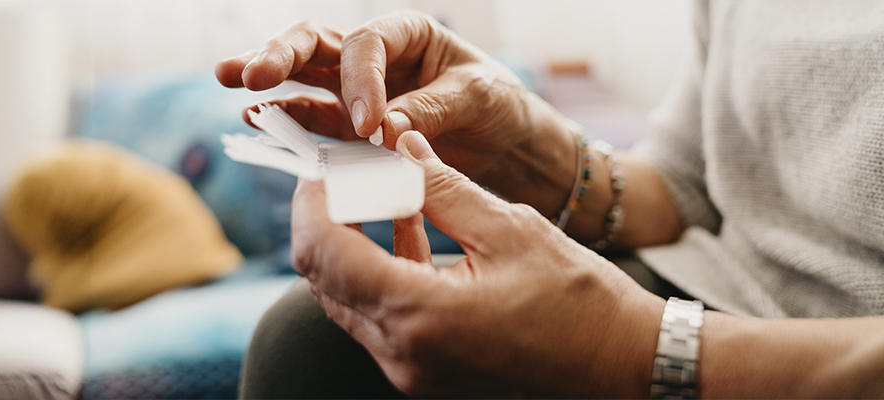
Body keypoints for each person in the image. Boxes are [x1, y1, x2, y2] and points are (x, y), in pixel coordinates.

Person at [215, 1, 884, 398]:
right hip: (706, 298)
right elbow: (695, 186)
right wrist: (531, 149)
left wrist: (630, 348)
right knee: (310, 343)